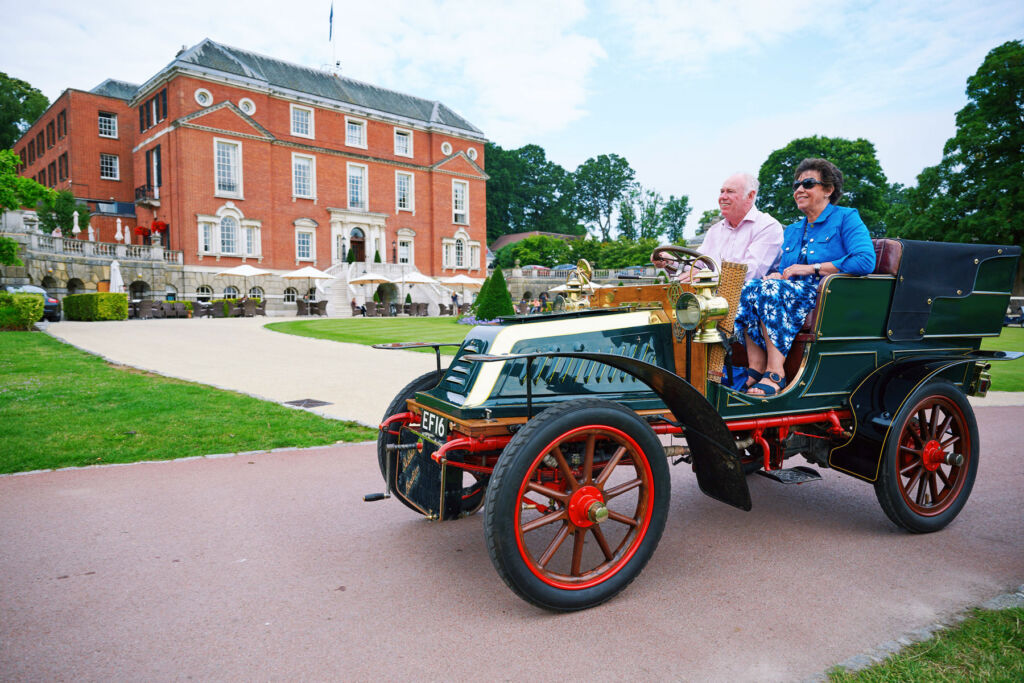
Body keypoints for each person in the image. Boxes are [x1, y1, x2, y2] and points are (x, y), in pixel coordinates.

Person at [735, 158, 875, 396]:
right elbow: (787, 271)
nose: (799, 189)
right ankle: (755, 369)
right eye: (796, 185)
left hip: (828, 298)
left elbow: (864, 260)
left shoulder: (846, 218)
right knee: (751, 288)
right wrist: (778, 274)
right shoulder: (792, 230)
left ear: (828, 190)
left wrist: (814, 268)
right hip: (793, 297)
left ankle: (775, 373)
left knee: (770, 291)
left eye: (808, 183)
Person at [654, 173, 783, 282]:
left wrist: (705, 277)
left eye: (730, 192)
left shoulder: (768, 227)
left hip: (749, 304)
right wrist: (670, 261)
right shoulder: (714, 231)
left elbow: (750, 273)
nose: (722, 197)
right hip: (710, 302)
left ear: (750, 196)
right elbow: (697, 266)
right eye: (722, 192)